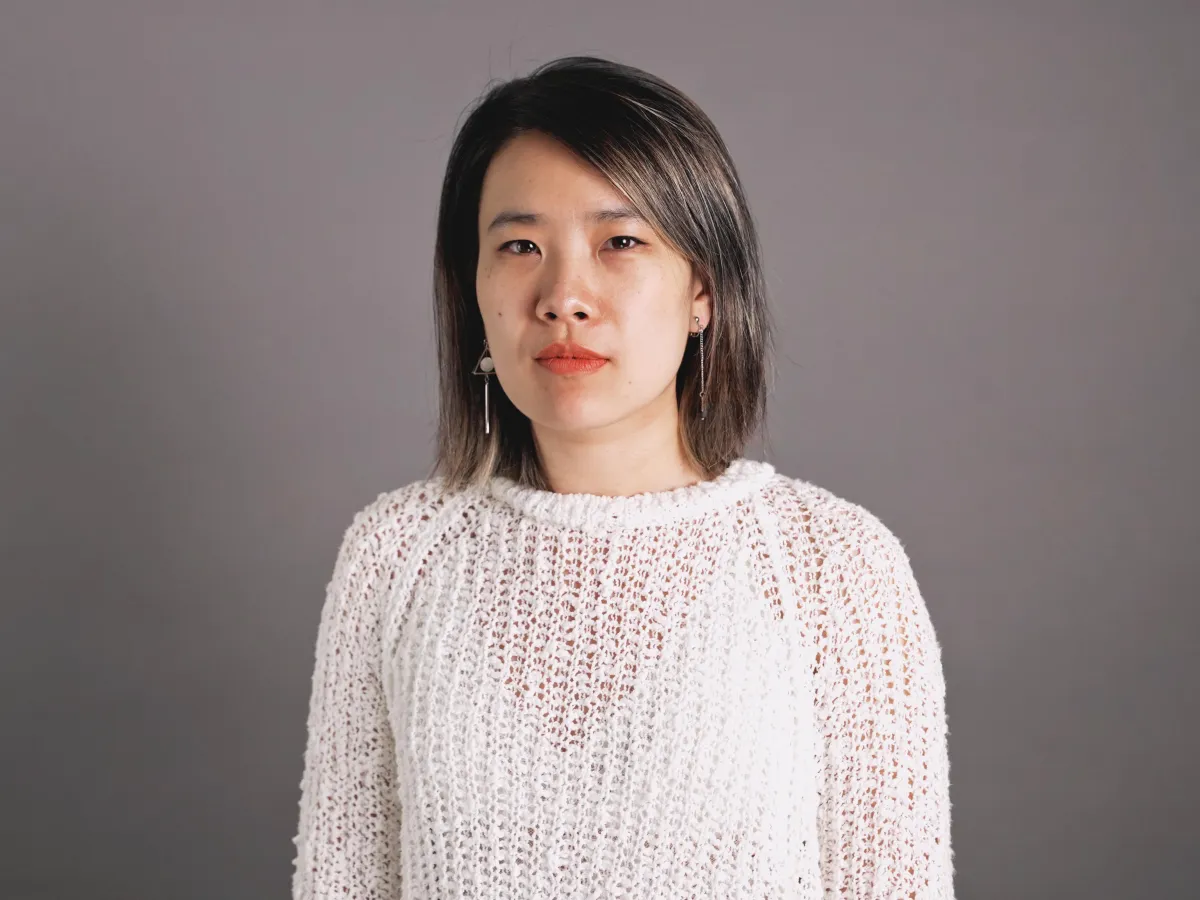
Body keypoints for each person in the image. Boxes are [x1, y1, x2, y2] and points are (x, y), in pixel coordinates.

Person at [291, 55, 954, 900]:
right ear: (474, 292)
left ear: (704, 289)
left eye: (622, 242)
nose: (565, 296)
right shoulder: (397, 557)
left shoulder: (832, 568)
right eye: (521, 245)